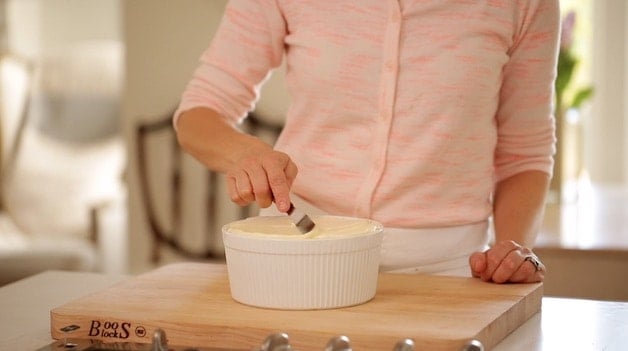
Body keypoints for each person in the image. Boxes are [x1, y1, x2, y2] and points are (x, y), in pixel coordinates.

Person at [173, 0, 560, 283]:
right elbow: (198, 112)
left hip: (448, 271)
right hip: (295, 250)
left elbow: (525, 151)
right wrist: (245, 152)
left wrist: (510, 249)